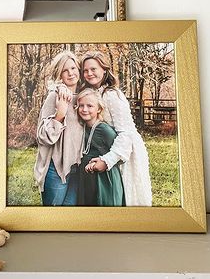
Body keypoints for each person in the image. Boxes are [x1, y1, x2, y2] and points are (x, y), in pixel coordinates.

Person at [80, 51, 152, 206]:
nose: (89, 73)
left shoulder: (112, 95)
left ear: (104, 70)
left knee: (126, 200)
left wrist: (108, 160)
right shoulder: (90, 94)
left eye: (93, 69)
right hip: (105, 147)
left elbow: (126, 134)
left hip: (124, 152)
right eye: (85, 70)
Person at [33, 50, 83, 206]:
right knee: (52, 219)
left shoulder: (85, 96)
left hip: (78, 168)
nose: (70, 73)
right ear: (59, 74)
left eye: (73, 68)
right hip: (56, 168)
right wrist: (60, 114)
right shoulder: (55, 96)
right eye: (64, 70)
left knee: (69, 219)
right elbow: (42, 135)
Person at [76, 89, 125, 206]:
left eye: (90, 106)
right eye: (81, 106)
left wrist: (100, 162)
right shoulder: (81, 127)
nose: (84, 109)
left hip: (104, 179)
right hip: (87, 178)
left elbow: (119, 155)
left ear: (98, 109)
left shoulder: (104, 130)